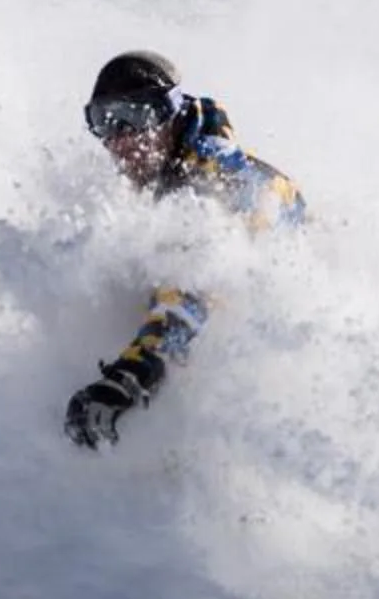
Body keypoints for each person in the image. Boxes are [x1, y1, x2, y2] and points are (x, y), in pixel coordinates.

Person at [62, 50, 304, 452]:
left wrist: (131, 373)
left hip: (289, 311)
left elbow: (194, 292)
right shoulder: (167, 169)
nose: (121, 139)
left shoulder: (215, 185)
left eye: (135, 117)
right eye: (104, 121)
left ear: (169, 113)